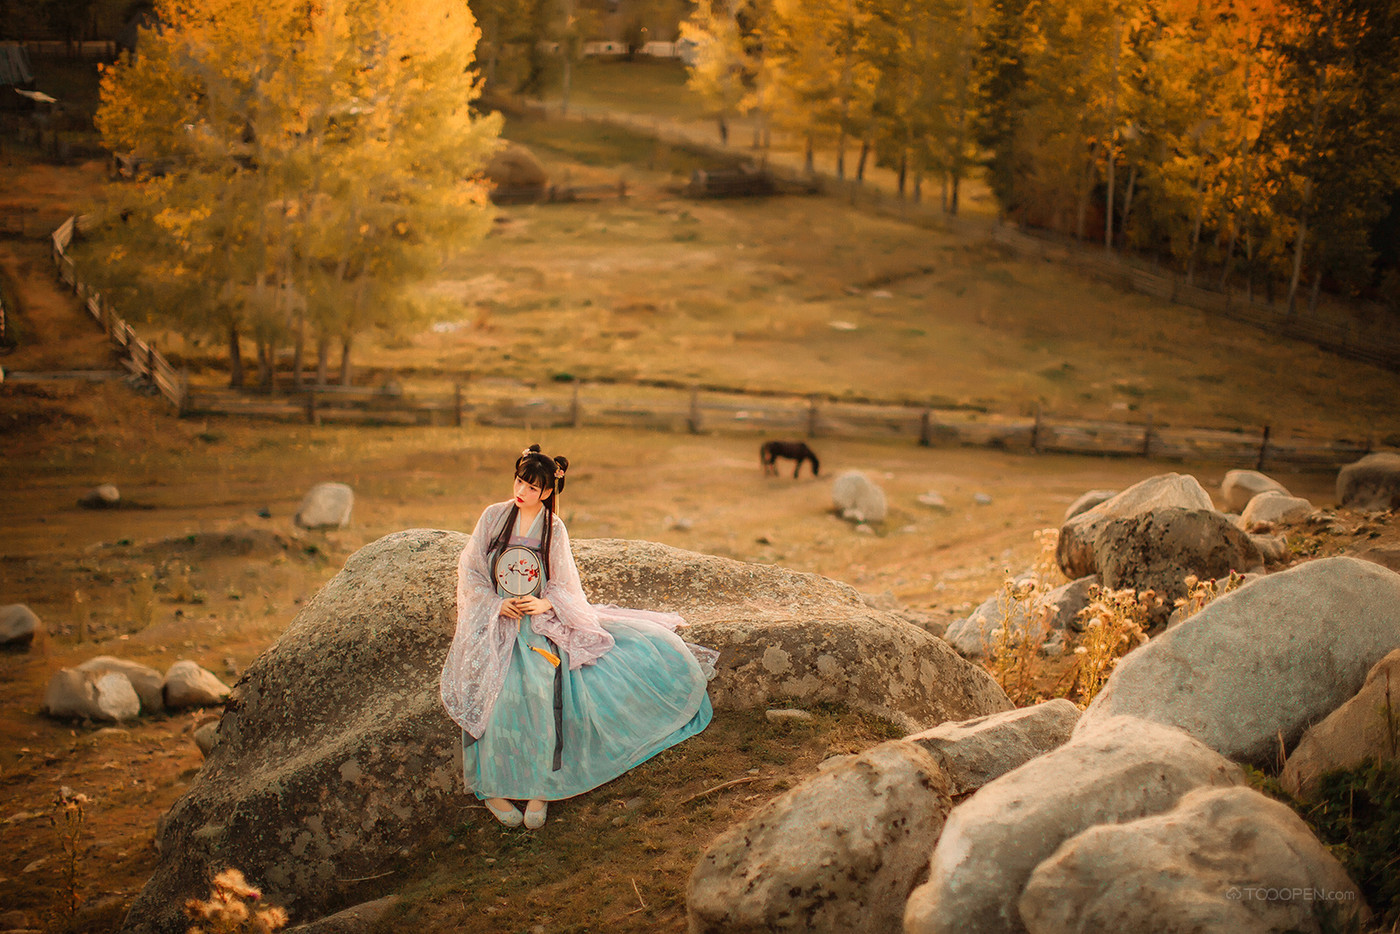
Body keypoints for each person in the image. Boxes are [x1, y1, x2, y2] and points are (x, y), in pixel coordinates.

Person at [440, 445, 717, 829]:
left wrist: (544, 605)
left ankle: (543, 786)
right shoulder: (494, 517)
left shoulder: (554, 529)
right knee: (496, 693)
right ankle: (494, 787)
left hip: (536, 627)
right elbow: (470, 569)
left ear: (548, 492)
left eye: (533, 487)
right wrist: (493, 606)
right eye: (520, 481)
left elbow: (565, 584)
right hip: (498, 622)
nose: (522, 491)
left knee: (540, 689)